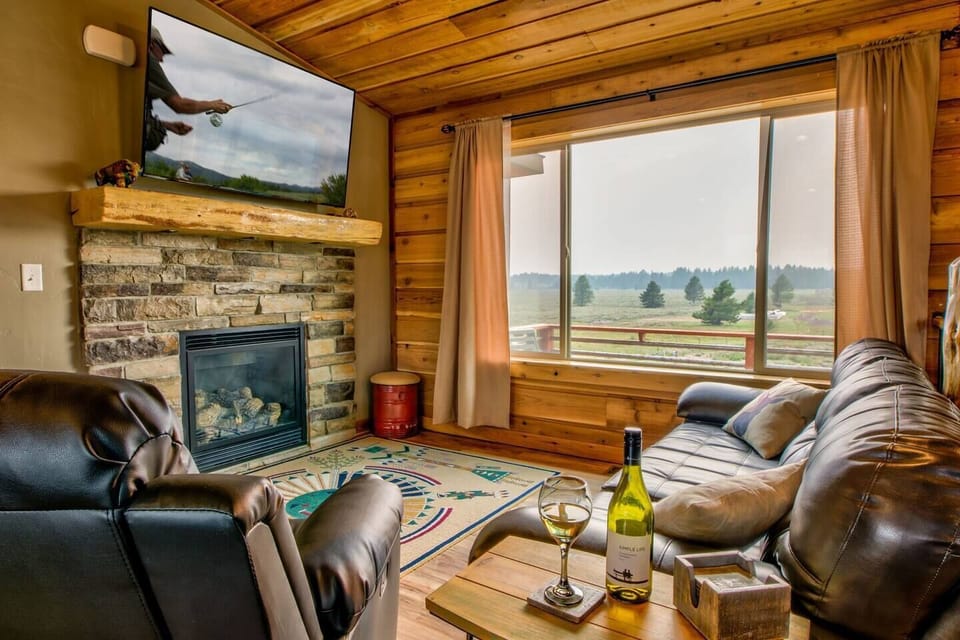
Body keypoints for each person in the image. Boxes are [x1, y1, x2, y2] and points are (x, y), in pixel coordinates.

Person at [144, 27, 232, 150]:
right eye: (163, 51)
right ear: (152, 44)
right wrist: (214, 105)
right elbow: (180, 105)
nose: (162, 59)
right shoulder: (148, 60)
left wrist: (168, 126)